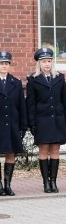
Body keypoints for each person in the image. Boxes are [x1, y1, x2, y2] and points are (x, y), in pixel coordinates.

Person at [26, 47, 66, 193]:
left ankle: (54, 181)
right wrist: (31, 123)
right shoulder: (33, 80)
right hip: (42, 121)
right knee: (44, 151)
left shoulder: (59, 78)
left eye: (49, 61)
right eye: (44, 61)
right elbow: (31, 104)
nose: (47, 64)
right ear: (39, 63)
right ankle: (46, 182)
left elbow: (65, 99)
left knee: (55, 150)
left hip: (58, 119)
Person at [0, 51, 27, 196]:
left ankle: (8, 185)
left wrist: (23, 126)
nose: (4, 66)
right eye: (2, 63)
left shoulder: (15, 83)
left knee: (11, 154)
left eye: (6, 63)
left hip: (11, 124)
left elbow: (21, 105)